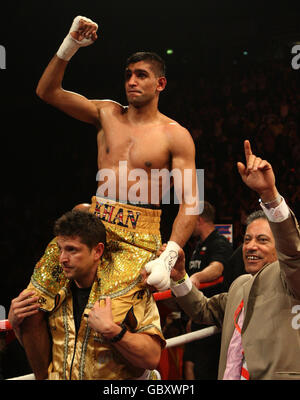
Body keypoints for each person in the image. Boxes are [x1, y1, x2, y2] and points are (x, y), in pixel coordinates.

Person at [19, 16, 197, 379]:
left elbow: (190, 202)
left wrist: (171, 252)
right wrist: (70, 45)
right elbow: (47, 92)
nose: (132, 80)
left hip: (140, 237)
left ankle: (143, 380)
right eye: (129, 73)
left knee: (103, 324)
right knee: (28, 308)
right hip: (94, 224)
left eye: (142, 74)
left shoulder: (175, 136)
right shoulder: (106, 113)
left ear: (160, 83)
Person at [169, 139, 300, 380]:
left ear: (278, 246)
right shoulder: (241, 285)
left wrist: (269, 195)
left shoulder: (291, 279)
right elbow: (203, 309)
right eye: (248, 239)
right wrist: (179, 278)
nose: (251, 245)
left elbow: (293, 252)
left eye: (262, 240)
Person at [9, 210, 165, 380]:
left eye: (72, 250)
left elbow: (152, 358)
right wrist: (17, 325)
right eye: (60, 249)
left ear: (97, 251)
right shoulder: (54, 296)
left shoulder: (129, 289)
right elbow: (44, 356)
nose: (62, 258)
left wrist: (113, 331)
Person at [183, 201, 233, 380]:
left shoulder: (219, 242)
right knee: (191, 367)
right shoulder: (197, 246)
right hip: (197, 314)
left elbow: (217, 268)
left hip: (213, 318)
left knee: (205, 371)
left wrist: (195, 278)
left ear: (197, 219)